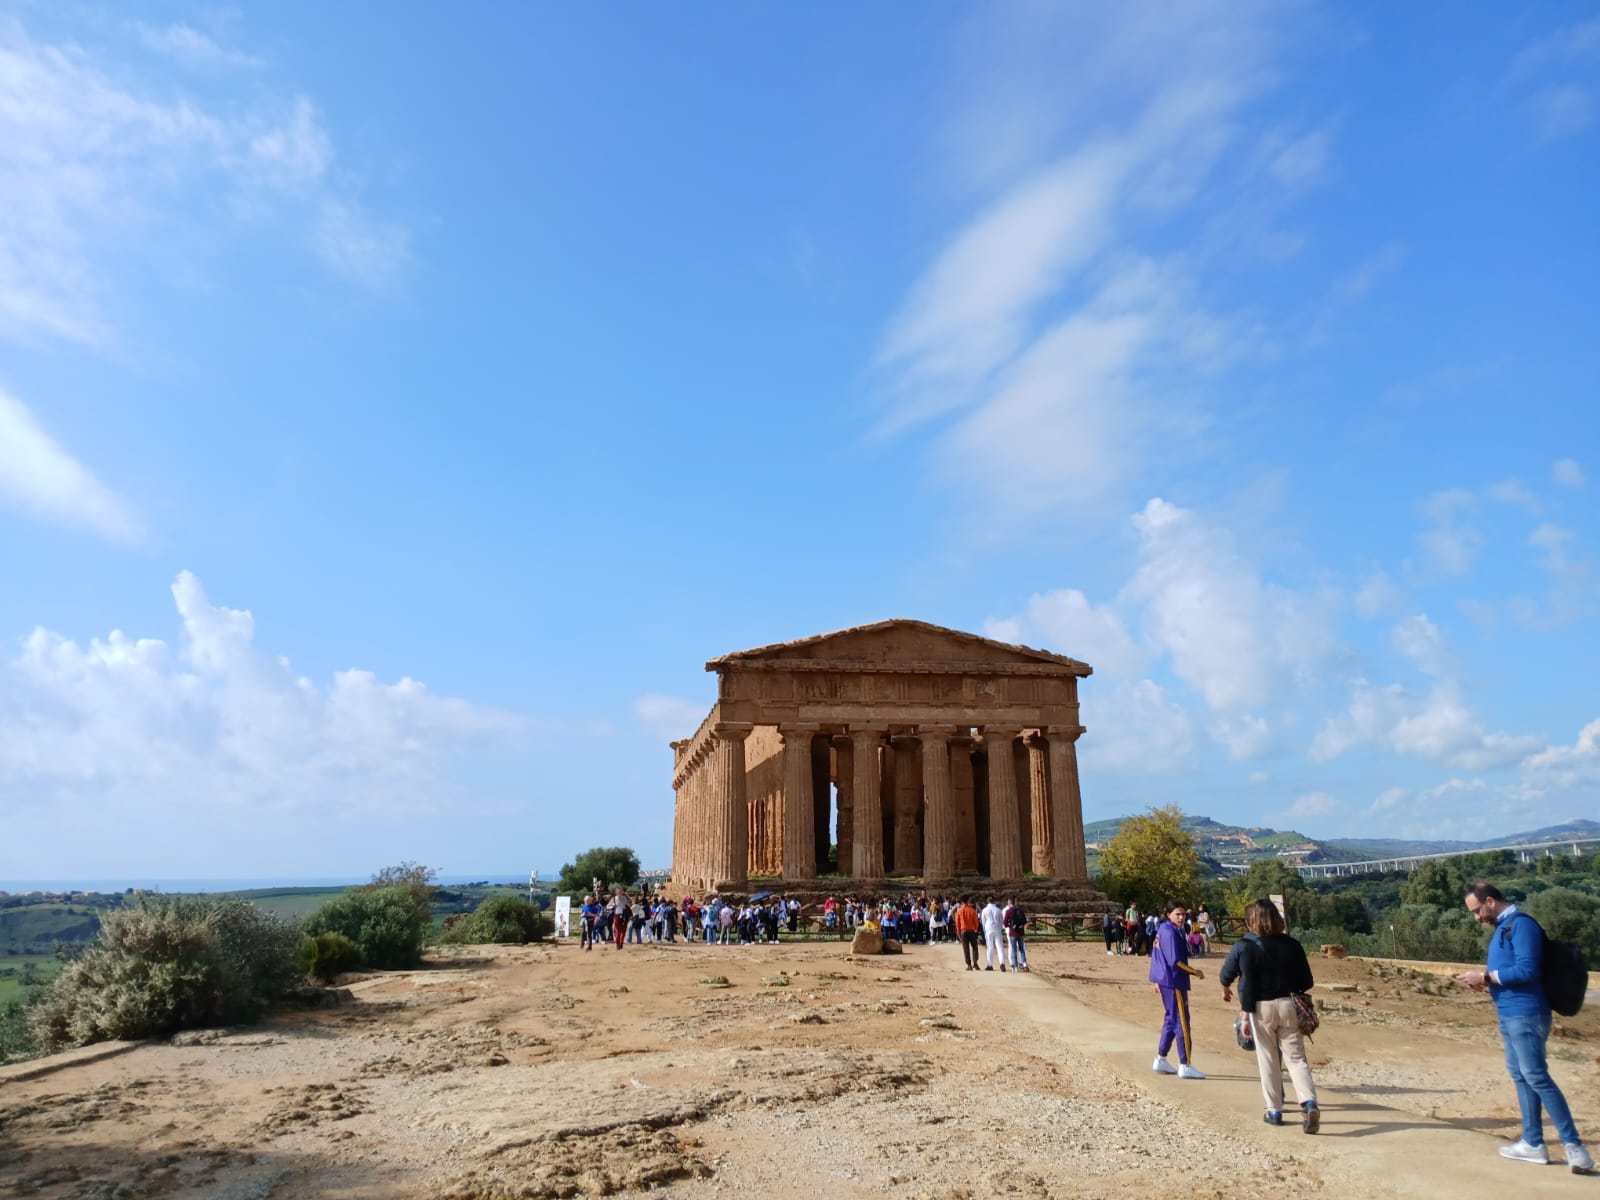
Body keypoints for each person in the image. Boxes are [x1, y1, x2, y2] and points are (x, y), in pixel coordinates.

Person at [1454, 883, 1592, 1172]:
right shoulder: (1504, 927)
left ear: (1490, 901)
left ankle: (1574, 1147)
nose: (1476, 917)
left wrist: (1485, 977)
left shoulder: (1521, 925)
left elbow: (1528, 970)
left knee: (1536, 1077)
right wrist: (1484, 980)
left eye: (1477, 911)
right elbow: (1510, 970)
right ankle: (1532, 1143)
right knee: (1522, 1076)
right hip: (1511, 1014)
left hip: (1526, 1014)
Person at [1219, 898, 1319, 1131]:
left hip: (1261, 1008)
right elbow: (1307, 981)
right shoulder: (1292, 945)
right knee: (1296, 1058)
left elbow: (1228, 976)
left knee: (1268, 1059)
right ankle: (1309, 1102)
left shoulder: (1245, 946)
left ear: (1251, 921)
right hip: (1289, 1005)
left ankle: (1274, 1110)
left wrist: (1243, 1012)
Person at [1149, 900, 1205, 1079]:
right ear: (1168, 915)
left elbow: (1158, 956)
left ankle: (1161, 1058)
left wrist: (1157, 979)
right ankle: (1185, 1063)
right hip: (1174, 981)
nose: (1181, 917)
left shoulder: (1165, 929)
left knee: (1170, 1020)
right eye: (1177, 914)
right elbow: (1175, 961)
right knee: (1182, 1021)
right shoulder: (1170, 932)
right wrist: (1194, 972)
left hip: (1166, 980)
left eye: (1183, 914)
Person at [954, 896, 982, 970]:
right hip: (972, 930)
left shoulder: (959, 911)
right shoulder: (972, 910)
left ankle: (969, 965)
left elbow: (958, 923)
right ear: (968, 901)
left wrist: (958, 933)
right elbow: (976, 921)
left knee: (966, 948)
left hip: (963, 931)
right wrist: (975, 929)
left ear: (962, 902)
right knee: (975, 947)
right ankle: (975, 962)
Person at [1003, 898, 1030, 972]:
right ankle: (1024, 964)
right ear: (1015, 902)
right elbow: (1025, 921)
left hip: (1013, 933)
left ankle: (1015, 966)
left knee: (1014, 950)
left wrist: (1009, 926)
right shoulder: (1020, 910)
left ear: (1009, 903)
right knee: (1022, 949)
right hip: (1020, 932)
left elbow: (1005, 923)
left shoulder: (1008, 911)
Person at [980, 898, 1006, 971]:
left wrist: (984, 929)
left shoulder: (984, 910)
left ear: (987, 902)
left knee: (990, 947)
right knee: (999, 946)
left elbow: (983, 921)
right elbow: (1001, 920)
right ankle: (1002, 963)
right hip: (997, 928)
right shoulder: (998, 910)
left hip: (988, 928)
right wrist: (1000, 927)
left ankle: (990, 964)